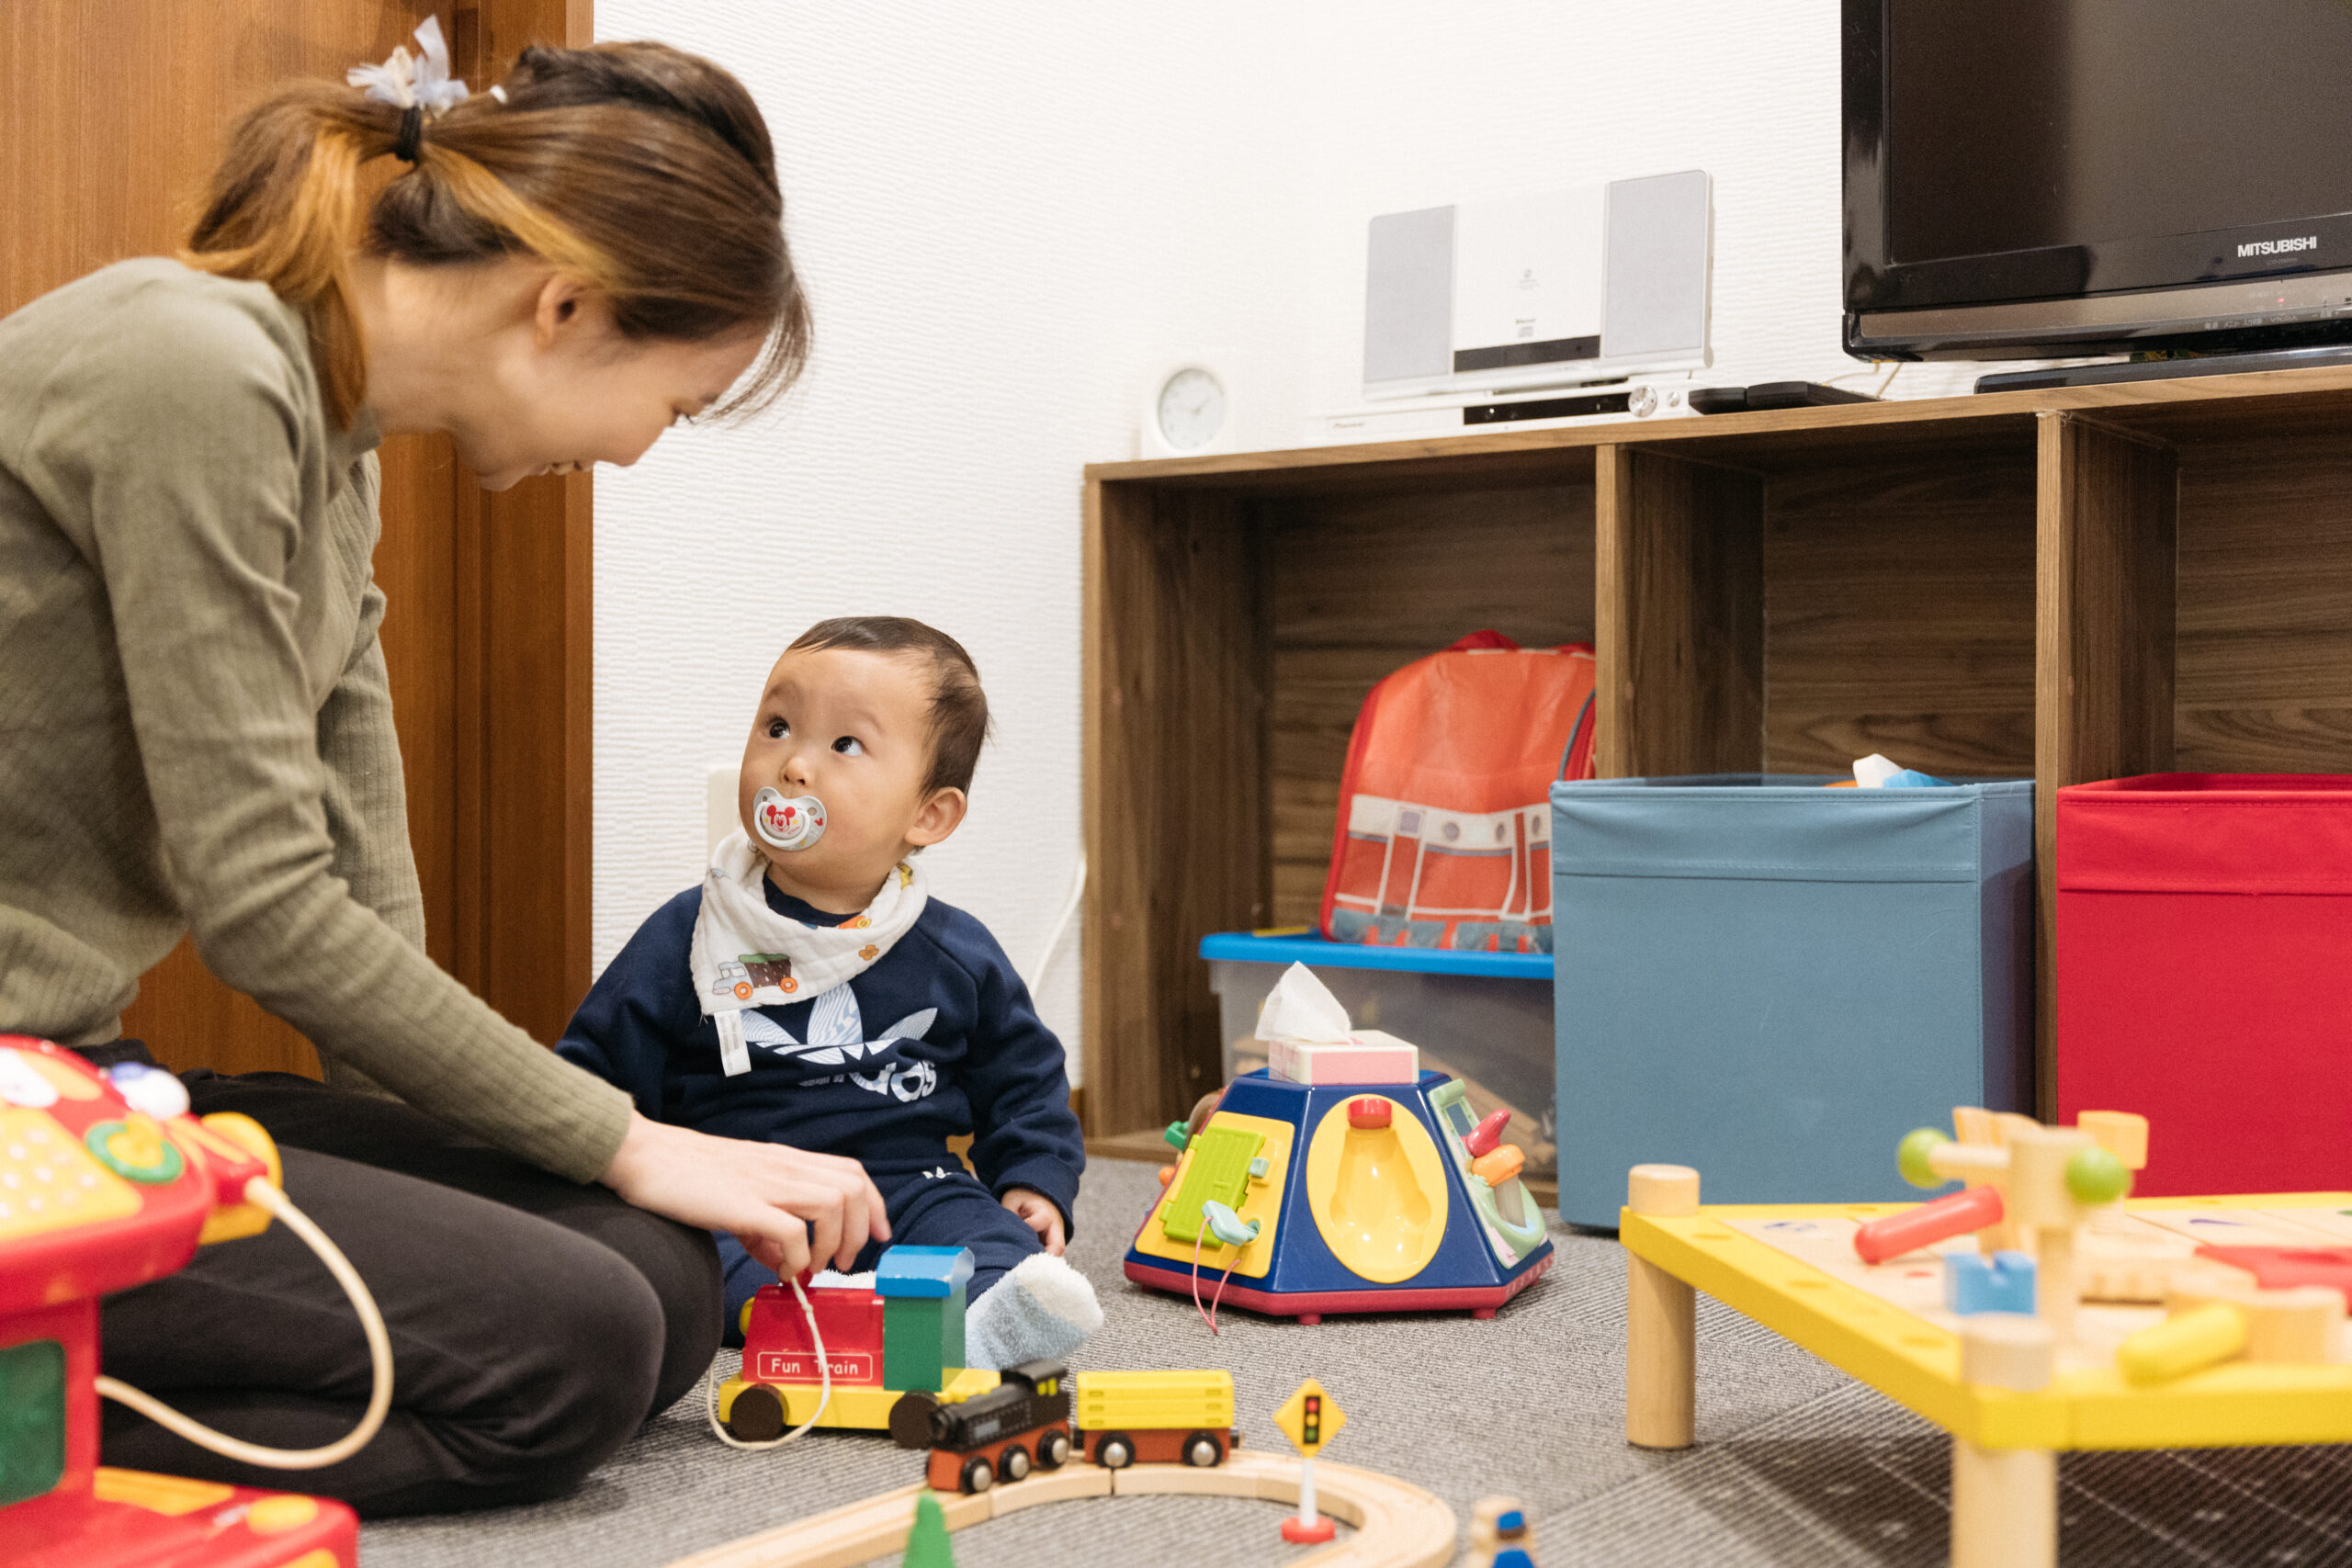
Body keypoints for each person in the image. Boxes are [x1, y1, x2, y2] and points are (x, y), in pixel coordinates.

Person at [0, 28, 891, 1516]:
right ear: (564, 308)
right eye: (669, 407)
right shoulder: (201, 370)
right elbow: (268, 907)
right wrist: (626, 1133)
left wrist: (510, 1171)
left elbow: (359, 887)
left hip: (71, 1082)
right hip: (24, 1100)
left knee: (655, 1278)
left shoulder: (338, 442)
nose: (636, 454)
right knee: (574, 1343)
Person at [558, 617, 1100, 1372]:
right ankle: (806, 1325)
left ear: (928, 814)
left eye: (845, 745)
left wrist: (1034, 1180)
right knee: (690, 1258)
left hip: (909, 1183)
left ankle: (995, 1319)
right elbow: (593, 1068)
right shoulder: (693, 932)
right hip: (744, 1190)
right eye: (778, 727)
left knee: (986, 1237)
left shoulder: (953, 951)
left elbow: (1025, 1079)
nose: (796, 766)